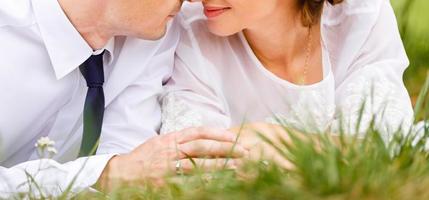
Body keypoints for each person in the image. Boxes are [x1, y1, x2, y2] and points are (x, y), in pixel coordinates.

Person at [0, 0, 248, 197]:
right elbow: (117, 171)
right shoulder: (7, 34)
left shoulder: (153, 36)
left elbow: (131, 160)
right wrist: (104, 175)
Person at [161, 0, 414, 142]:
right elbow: (192, 162)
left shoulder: (358, 17)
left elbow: (379, 145)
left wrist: (271, 139)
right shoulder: (191, 33)